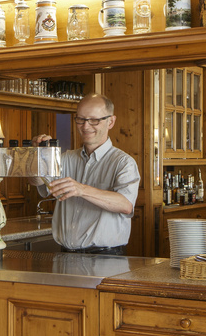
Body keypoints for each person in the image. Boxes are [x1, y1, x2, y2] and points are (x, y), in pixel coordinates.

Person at [34, 94, 140, 255]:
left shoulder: (124, 162)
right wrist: (38, 156)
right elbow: (38, 182)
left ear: (111, 122)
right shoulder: (66, 158)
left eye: (94, 120)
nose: (85, 126)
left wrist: (82, 190)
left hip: (106, 258)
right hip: (65, 255)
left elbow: (125, 205)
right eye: (81, 119)